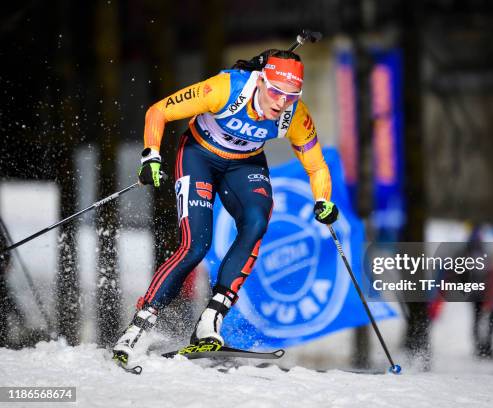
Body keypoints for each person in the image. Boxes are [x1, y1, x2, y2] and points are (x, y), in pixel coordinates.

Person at [112, 49, 339, 366]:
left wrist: (322, 202)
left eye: (291, 96)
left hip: (244, 165)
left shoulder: (295, 114)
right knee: (196, 245)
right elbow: (158, 111)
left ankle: (211, 319)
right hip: (198, 156)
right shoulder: (224, 89)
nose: (280, 102)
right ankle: (139, 326)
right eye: (274, 91)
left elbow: (316, 166)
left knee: (257, 220)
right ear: (260, 80)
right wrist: (151, 155)